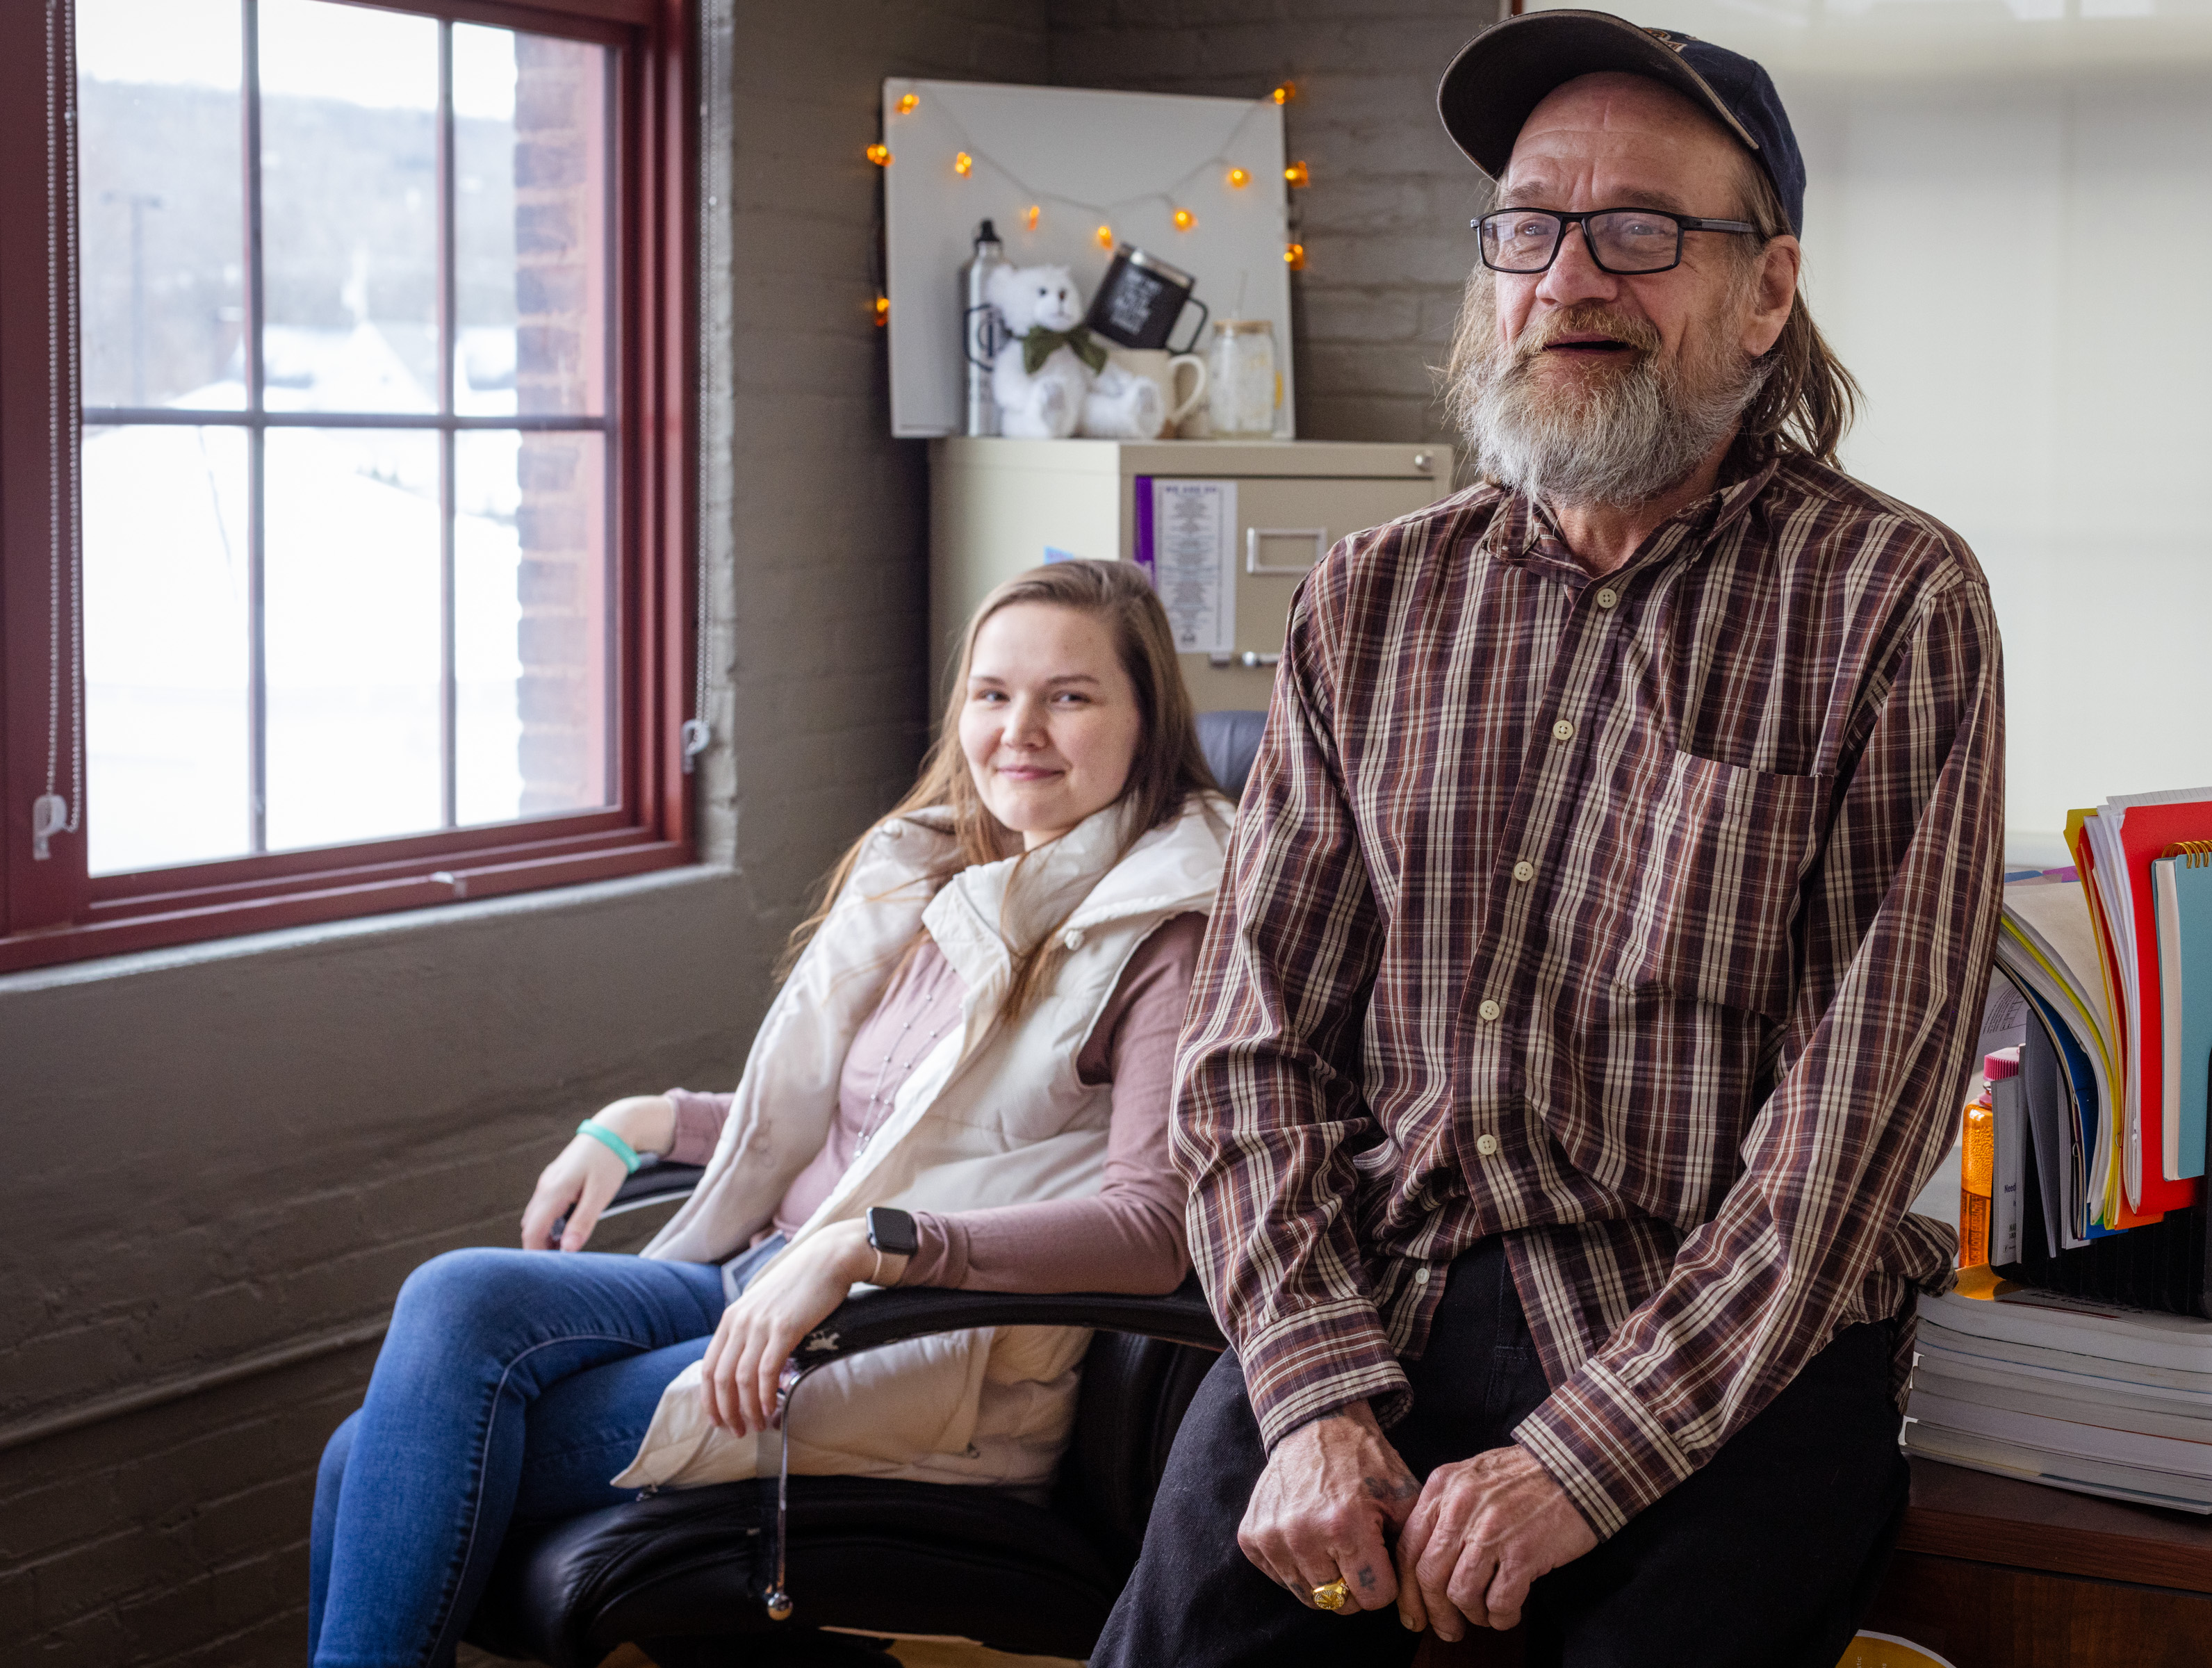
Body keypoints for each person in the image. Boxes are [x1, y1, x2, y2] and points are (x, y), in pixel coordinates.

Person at [1095, 14, 2005, 1668]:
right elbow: (1250, 1052)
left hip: (1713, 1352)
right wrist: (1306, 1396)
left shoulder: (1893, 603)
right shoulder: (1371, 599)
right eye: (1529, 225)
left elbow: (1848, 1134)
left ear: (1766, 293)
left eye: (1642, 232)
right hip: (1374, 1310)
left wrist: (1579, 1463)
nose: (1570, 277)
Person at [306, 559, 1230, 1668]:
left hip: (916, 1357)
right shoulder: (950, 876)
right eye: (992, 694)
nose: (1019, 729)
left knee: (369, 1458)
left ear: (1145, 720)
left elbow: (1150, 1229)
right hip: (768, 1277)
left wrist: (868, 1248)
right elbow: (874, 1119)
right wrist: (646, 1122)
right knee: (457, 1295)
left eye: (1069, 697)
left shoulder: (1165, 932)